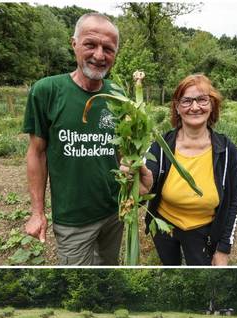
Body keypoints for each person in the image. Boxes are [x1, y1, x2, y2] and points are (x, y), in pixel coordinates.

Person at [23, 13, 149, 265]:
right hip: (73, 219)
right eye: (91, 44)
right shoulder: (46, 91)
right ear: (74, 44)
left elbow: (122, 149)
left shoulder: (118, 94)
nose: (99, 55)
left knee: (109, 272)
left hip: (113, 212)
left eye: (108, 49)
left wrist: (134, 179)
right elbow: (37, 153)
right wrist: (37, 212)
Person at [142, 74, 237, 266]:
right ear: (177, 108)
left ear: (212, 105)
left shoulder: (227, 151)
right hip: (165, 225)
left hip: (204, 231)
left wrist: (223, 249)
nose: (195, 107)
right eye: (186, 101)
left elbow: (233, 203)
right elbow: (147, 179)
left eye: (202, 100)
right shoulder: (161, 146)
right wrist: (140, 183)